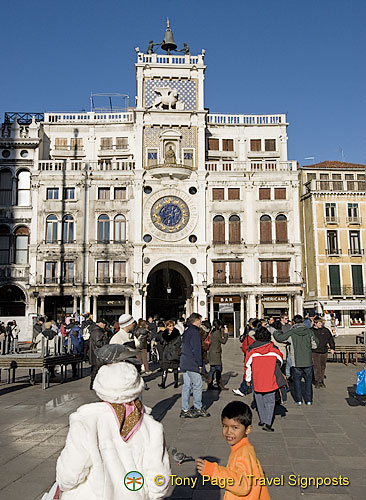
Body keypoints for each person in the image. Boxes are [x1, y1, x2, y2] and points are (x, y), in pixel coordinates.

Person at [46, 347, 170, 500]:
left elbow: (70, 474)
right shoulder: (151, 427)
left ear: (100, 385)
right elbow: (159, 481)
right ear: (137, 386)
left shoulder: (86, 421)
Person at [196, 401, 270, 500]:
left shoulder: (243, 453)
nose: (228, 432)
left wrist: (213, 471)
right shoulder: (242, 448)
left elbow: (242, 485)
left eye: (235, 428)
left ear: (248, 430)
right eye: (225, 426)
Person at [245, 326, 284, 432]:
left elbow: (247, 366)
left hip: (257, 379)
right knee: (270, 401)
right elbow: (280, 361)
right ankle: (267, 422)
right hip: (270, 378)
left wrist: (247, 379)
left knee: (259, 400)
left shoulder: (251, 350)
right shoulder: (274, 349)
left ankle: (262, 419)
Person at [274, 314, 319, 405]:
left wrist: (275, 332)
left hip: (296, 361)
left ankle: (298, 400)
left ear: (294, 322)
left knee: (297, 381)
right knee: (308, 382)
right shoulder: (309, 331)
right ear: (302, 321)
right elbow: (315, 345)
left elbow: (280, 338)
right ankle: (309, 400)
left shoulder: (292, 332)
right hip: (308, 360)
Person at [180, 312, 210, 418]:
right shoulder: (195, 332)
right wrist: (199, 363)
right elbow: (196, 349)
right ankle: (198, 408)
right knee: (197, 385)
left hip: (185, 361)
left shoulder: (187, 330)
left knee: (186, 386)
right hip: (193, 362)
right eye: (200, 321)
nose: (200, 323)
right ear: (196, 321)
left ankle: (185, 409)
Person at [233, 319, 257, 397]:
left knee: (249, 371)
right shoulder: (252, 331)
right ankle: (243, 389)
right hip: (254, 354)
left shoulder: (251, 334)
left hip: (251, 354)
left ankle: (243, 389)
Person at [312, 316, 335, 388]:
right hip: (314, 351)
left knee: (322, 366)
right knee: (316, 366)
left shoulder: (325, 330)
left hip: (324, 351)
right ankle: (317, 381)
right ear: (315, 323)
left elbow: (330, 339)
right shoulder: (310, 331)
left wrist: (332, 348)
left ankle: (321, 380)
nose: (321, 324)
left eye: (321, 323)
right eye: (319, 323)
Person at [158, 320, 181, 389]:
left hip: (174, 352)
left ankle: (176, 382)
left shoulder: (177, 334)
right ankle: (163, 383)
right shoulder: (164, 334)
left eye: (172, 325)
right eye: (170, 326)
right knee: (165, 368)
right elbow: (161, 341)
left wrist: (175, 349)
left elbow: (179, 343)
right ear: (167, 326)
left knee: (175, 368)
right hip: (166, 353)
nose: (172, 327)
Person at [207, 318, 229, 391]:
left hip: (211, 353)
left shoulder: (212, 331)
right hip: (216, 354)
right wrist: (226, 333)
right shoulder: (217, 332)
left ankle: (210, 384)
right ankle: (220, 385)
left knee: (212, 369)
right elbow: (223, 341)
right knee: (219, 369)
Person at [88, 318, 110, 389]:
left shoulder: (96, 330)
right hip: (97, 354)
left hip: (96, 353)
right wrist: (106, 342)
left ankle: (94, 384)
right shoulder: (97, 331)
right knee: (96, 370)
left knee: (96, 369)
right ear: (99, 323)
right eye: (103, 324)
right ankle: (93, 384)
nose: (105, 325)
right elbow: (98, 343)